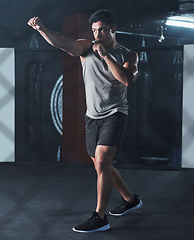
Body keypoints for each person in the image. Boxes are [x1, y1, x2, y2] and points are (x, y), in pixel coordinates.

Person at [28, 10, 143, 233]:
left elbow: (126, 80)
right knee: (101, 164)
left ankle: (100, 217)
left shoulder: (129, 55)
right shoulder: (85, 48)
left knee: (101, 163)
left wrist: (106, 56)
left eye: (101, 30)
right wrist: (41, 29)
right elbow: (62, 42)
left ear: (113, 30)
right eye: (93, 30)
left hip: (115, 114)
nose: (96, 35)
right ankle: (130, 199)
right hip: (92, 116)